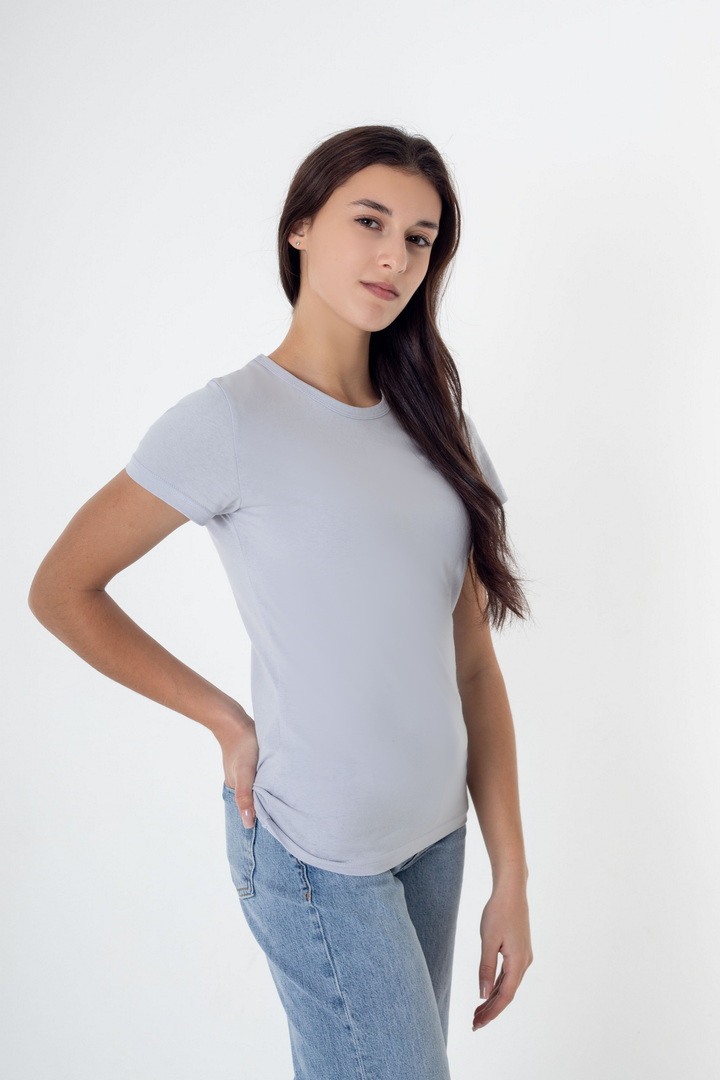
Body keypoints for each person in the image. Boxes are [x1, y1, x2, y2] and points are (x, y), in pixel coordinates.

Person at [28, 124, 533, 1079]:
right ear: (300, 226)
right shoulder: (229, 420)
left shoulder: (440, 426)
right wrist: (225, 719)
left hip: (434, 838)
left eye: (420, 239)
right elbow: (62, 590)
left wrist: (512, 875)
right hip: (315, 855)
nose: (394, 258)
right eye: (369, 222)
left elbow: (472, 665)